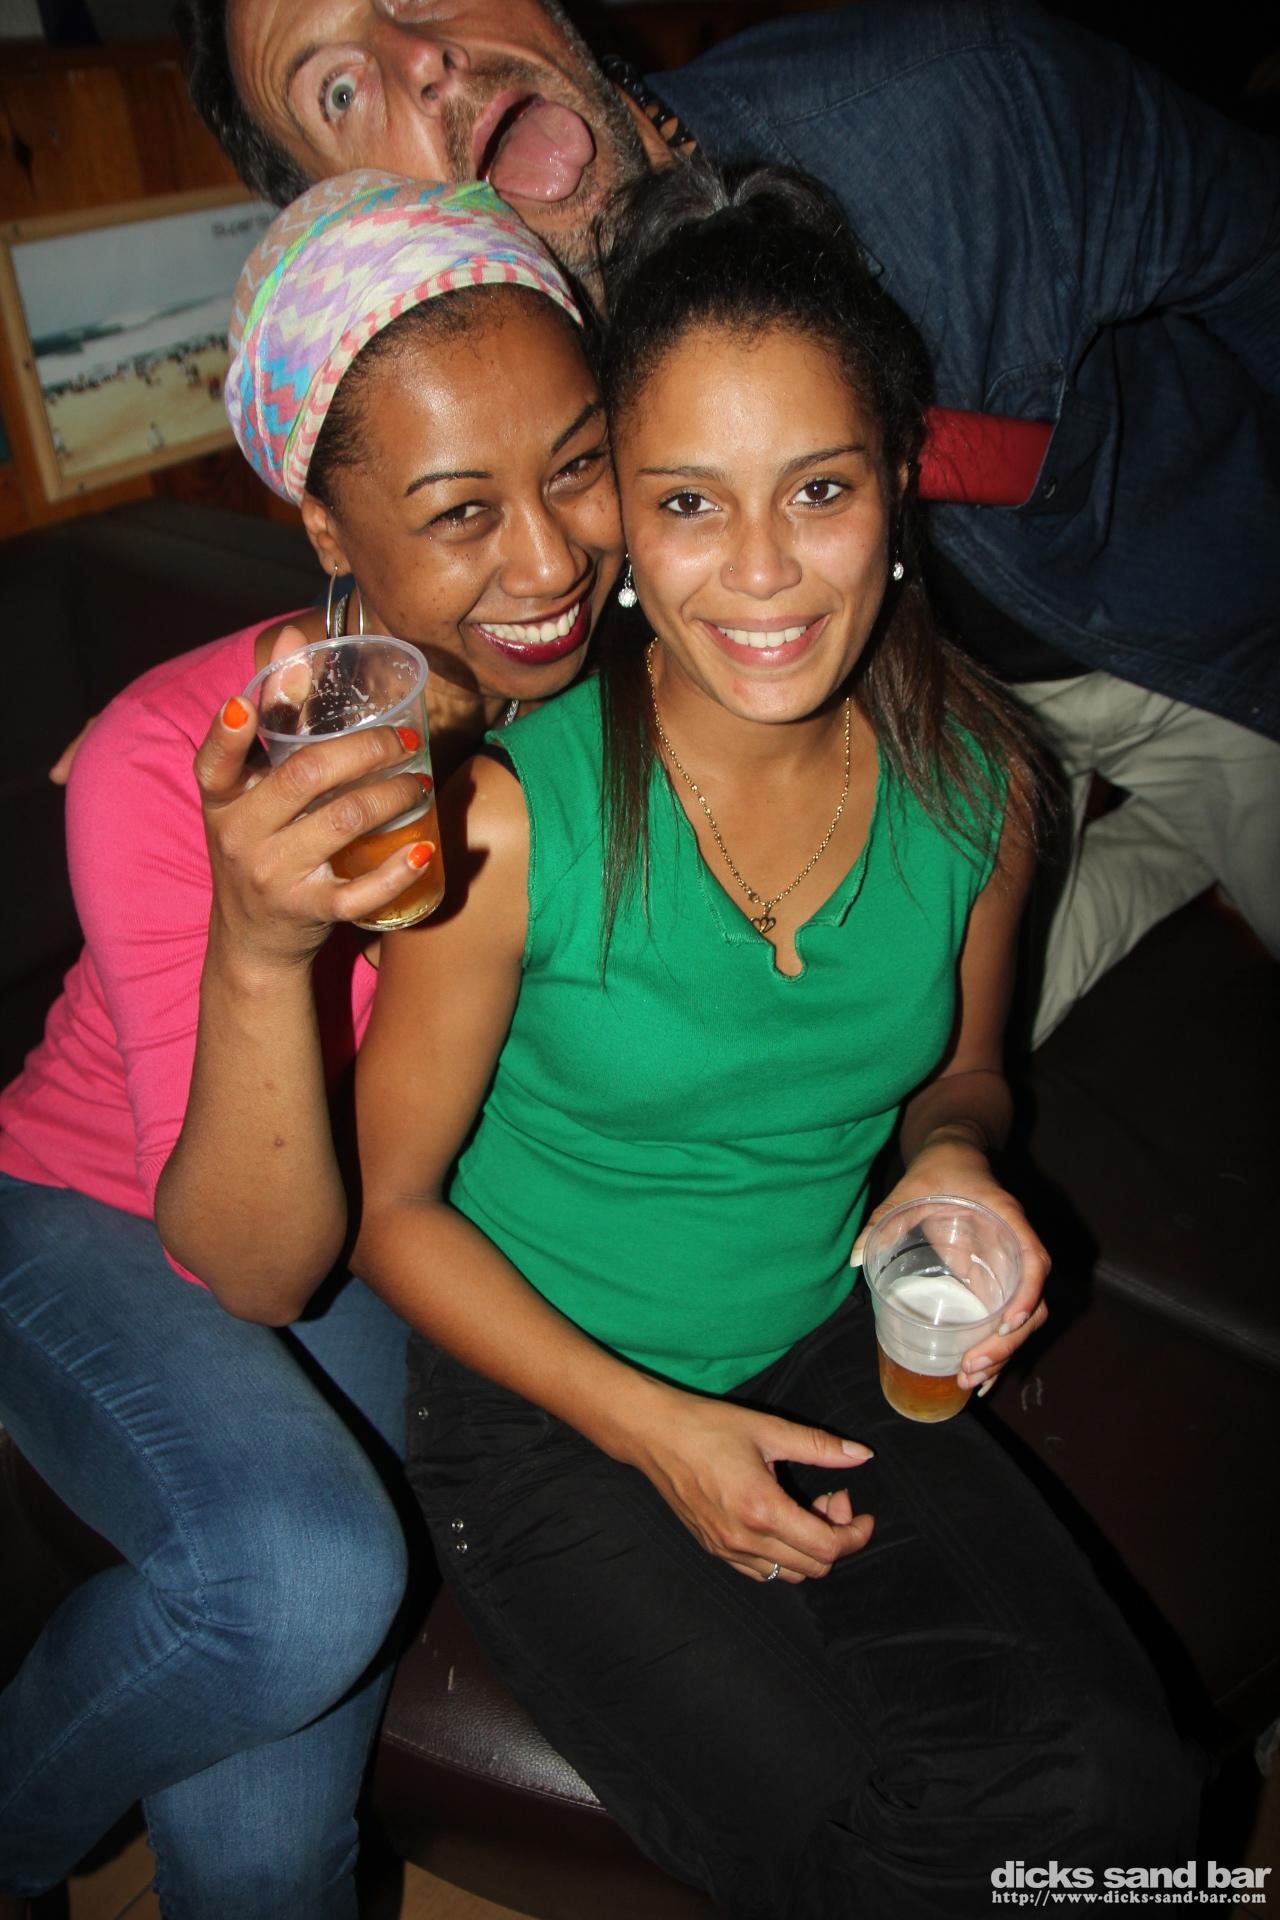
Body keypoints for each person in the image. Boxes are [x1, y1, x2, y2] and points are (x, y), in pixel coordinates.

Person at [349, 162, 1200, 1916]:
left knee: (1130, 1790)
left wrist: (953, 1161)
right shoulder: (509, 823)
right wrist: (657, 1430)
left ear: (897, 489)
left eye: (817, 488)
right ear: (627, 528)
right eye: (687, 502)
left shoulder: (989, 788)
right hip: (543, 1402)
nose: (759, 570)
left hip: (823, 1349)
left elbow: (968, 1073)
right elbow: (391, 1213)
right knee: (863, 1852)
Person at [177, 0, 1280, 1042]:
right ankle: (1163, 845)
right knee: (895, 1065)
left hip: (1199, 636)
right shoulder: (489, 392)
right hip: (924, 734)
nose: (422, 57)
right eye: (337, 89)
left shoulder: (961, 99)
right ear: (348, 204)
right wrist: (246, 711)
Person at [0, 174, 622, 1918]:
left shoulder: (601, 688)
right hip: (94, 1207)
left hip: (363, 1201)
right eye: (458, 509)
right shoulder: (169, 761)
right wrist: (267, 948)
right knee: (299, 1581)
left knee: (271, 1856)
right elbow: (254, 1265)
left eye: (578, 467)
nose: (549, 562)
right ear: (329, 527)